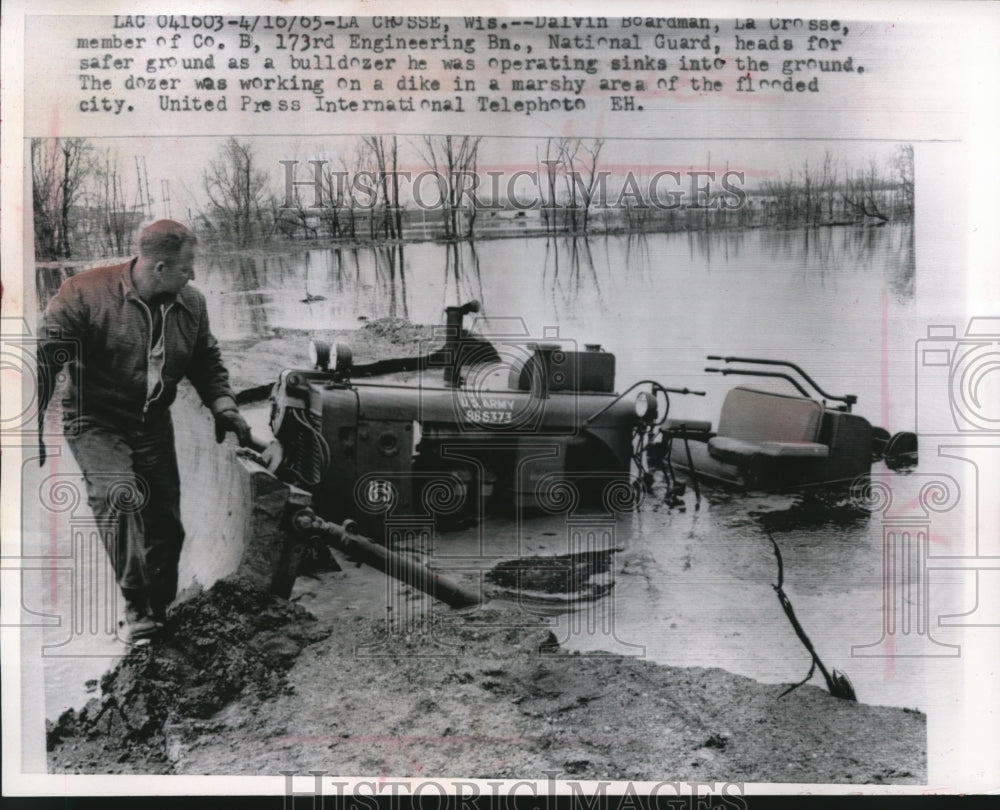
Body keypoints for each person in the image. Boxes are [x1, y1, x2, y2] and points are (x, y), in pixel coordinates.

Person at [37, 220, 252, 643]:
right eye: (187, 265)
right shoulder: (84, 294)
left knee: (166, 525)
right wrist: (31, 429)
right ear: (159, 267)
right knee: (118, 497)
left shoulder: (191, 304)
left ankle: (161, 609)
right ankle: (138, 609)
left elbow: (205, 361)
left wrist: (223, 405)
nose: (193, 273)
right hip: (94, 418)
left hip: (152, 420)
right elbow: (44, 362)